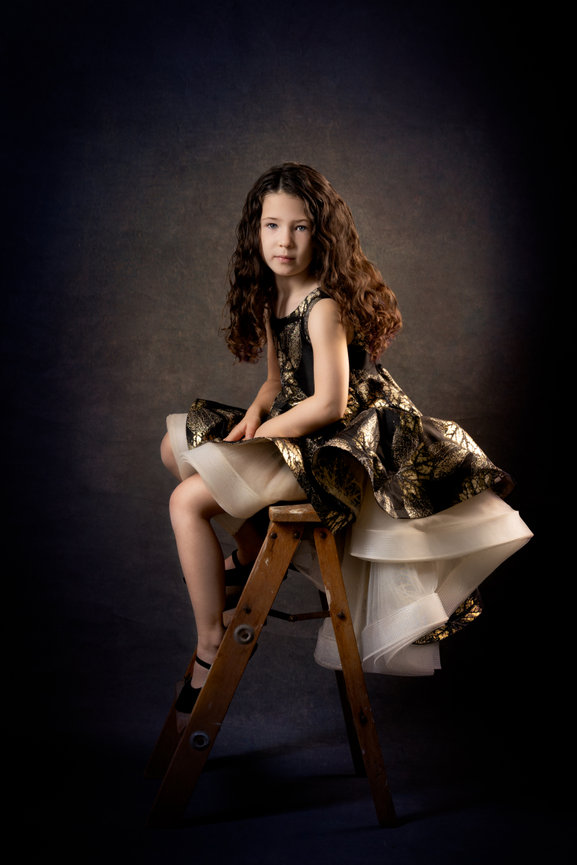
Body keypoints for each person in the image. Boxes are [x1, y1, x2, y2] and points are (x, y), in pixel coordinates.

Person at [160, 162, 532, 714]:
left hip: (334, 447)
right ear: (254, 231)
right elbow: (274, 380)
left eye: (300, 227)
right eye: (271, 226)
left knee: (187, 501)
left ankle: (211, 643)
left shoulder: (325, 305)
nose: (284, 241)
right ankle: (246, 552)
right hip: (294, 429)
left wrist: (262, 435)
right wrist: (256, 415)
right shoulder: (274, 297)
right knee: (176, 446)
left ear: (322, 233)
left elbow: (330, 404)